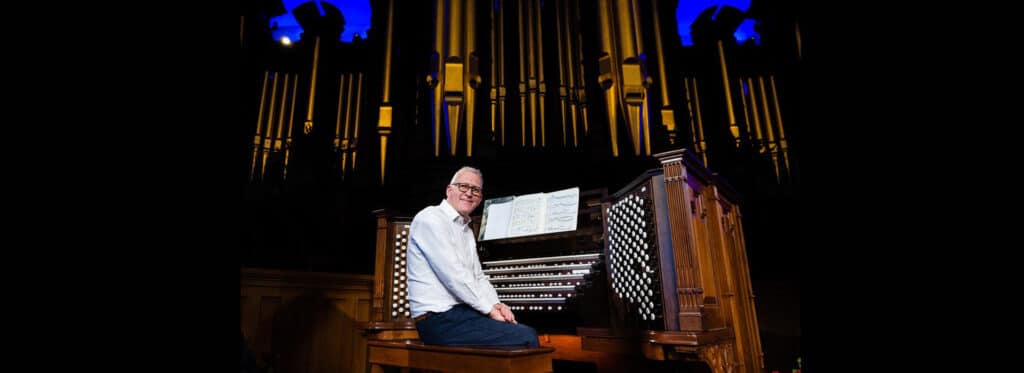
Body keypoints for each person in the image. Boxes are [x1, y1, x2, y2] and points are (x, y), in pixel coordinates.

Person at [407, 166, 540, 347]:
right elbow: (454, 277)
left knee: (522, 329)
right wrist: (490, 310)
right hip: (438, 320)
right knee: (526, 337)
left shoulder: (466, 230)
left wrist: (497, 304)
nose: (469, 193)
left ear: (480, 198)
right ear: (449, 190)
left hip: (463, 314)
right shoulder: (430, 218)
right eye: (463, 186)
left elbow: (478, 277)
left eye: (475, 190)